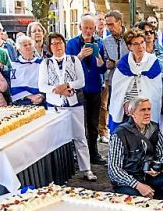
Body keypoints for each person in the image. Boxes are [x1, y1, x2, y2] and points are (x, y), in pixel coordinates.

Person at [39, 32, 97, 182]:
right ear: (49, 47)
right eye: (54, 44)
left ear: (64, 44)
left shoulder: (73, 60)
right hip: (54, 106)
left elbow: (81, 81)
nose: (57, 46)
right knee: (57, 139)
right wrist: (57, 89)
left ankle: (86, 168)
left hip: (74, 103)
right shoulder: (45, 63)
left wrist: (67, 85)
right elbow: (42, 85)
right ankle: (60, 172)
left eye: (60, 43)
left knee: (80, 136)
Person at [108, 97, 163, 198]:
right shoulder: (120, 134)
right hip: (129, 180)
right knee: (136, 197)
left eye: (149, 109)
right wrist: (138, 185)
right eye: (142, 110)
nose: (147, 113)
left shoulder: (154, 129)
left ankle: (155, 198)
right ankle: (145, 195)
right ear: (132, 113)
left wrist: (158, 167)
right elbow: (114, 170)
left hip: (149, 176)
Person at [66, 14, 107, 165]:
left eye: (91, 28)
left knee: (93, 123)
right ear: (80, 28)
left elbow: (102, 70)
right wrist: (80, 56)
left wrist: (101, 62)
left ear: (95, 29)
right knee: (79, 124)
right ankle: (80, 155)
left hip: (95, 87)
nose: (89, 31)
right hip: (79, 89)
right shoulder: (71, 43)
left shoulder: (100, 44)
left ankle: (93, 152)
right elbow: (68, 67)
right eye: (86, 28)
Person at [108, 29, 162, 132]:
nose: (140, 47)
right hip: (127, 109)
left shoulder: (152, 62)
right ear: (130, 47)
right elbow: (118, 90)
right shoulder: (124, 63)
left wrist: (142, 105)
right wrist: (125, 103)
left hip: (146, 107)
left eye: (142, 42)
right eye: (136, 44)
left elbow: (155, 91)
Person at [102, 11, 129, 141]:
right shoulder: (106, 41)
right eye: (107, 25)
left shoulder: (131, 37)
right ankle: (117, 141)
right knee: (115, 112)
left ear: (120, 22)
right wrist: (107, 63)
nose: (109, 28)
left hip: (130, 83)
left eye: (111, 24)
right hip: (114, 82)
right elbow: (105, 59)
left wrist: (118, 63)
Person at [136, 21, 163, 95]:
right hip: (141, 90)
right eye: (146, 33)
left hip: (158, 89)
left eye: (151, 32)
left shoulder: (162, 50)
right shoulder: (136, 51)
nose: (149, 34)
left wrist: (158, 76)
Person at [10, 36, 43, 106]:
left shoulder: (42, 63)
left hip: (41, 100)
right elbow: (14, 86)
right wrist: (29, 97)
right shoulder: (15, 65)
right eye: (25, 45)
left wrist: (42, 96)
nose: (28, 47)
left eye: (30, 44)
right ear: (19, 49)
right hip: (22, 101)